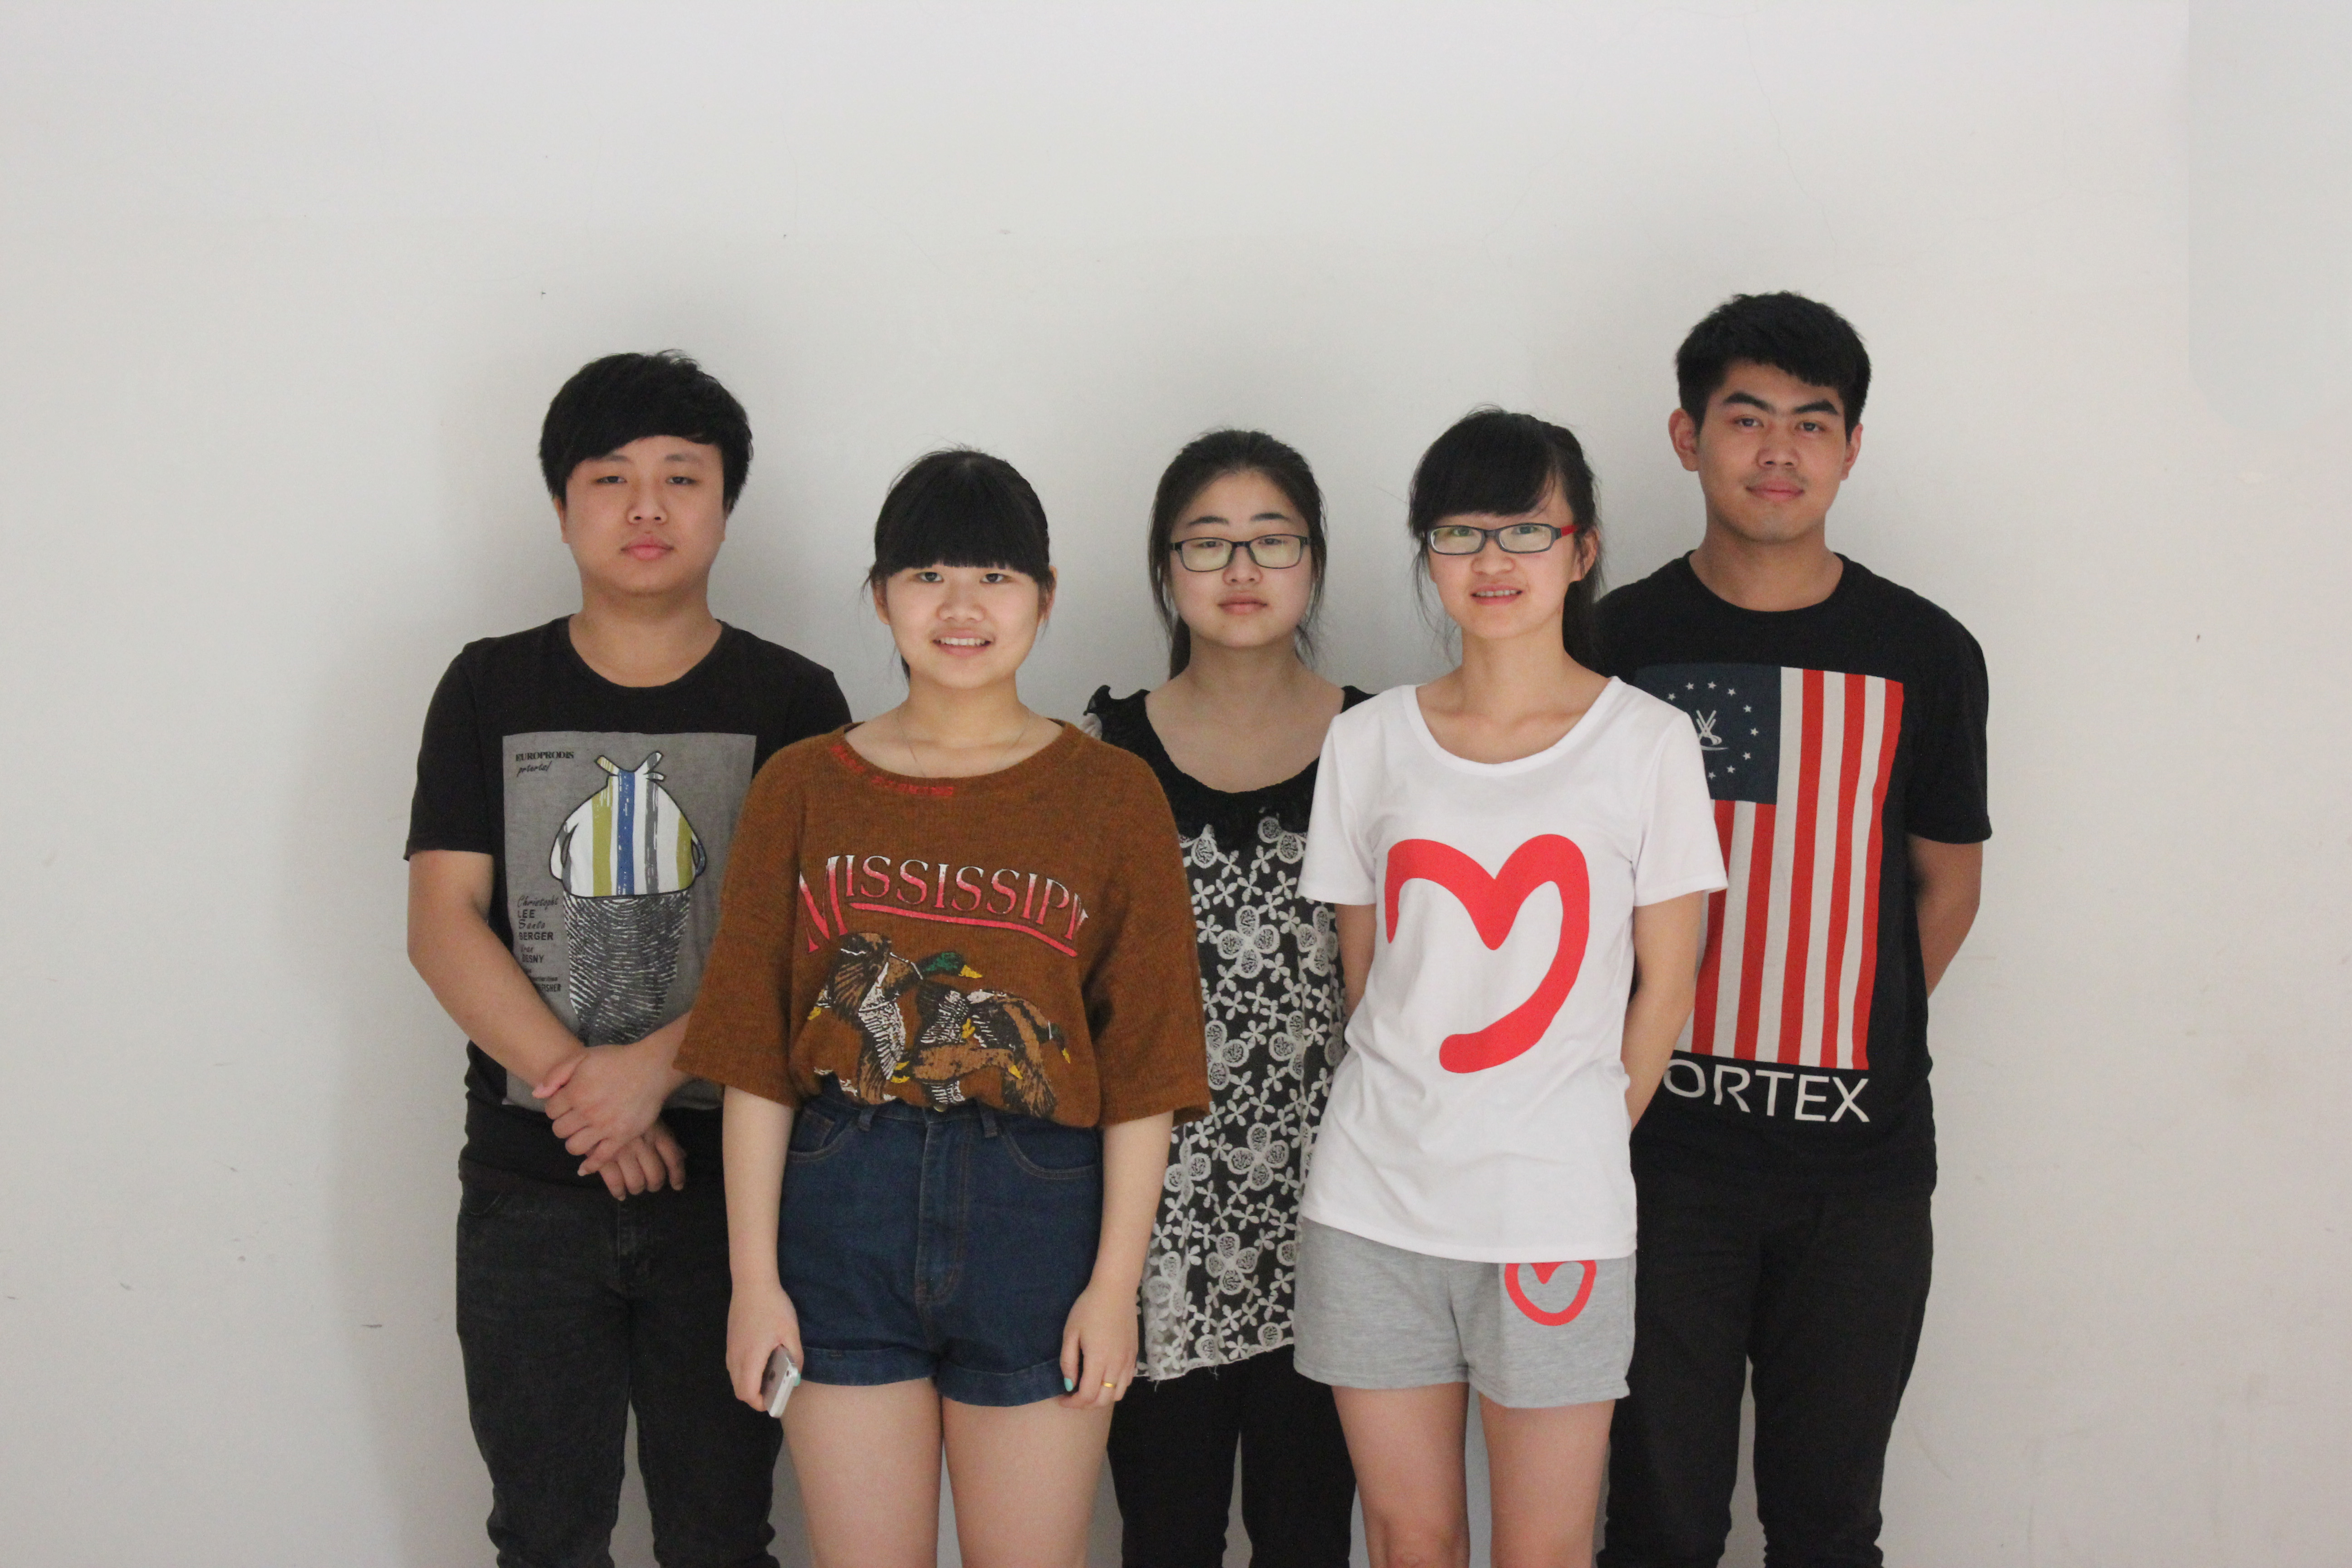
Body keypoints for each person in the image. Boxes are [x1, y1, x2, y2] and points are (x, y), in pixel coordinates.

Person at [675, 449, 1212, 1568]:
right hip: (840, 1203)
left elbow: (1146, 1066)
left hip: (1039, 1215)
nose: (961, 608)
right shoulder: (803, 787)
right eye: (927, 576)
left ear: (1045, 596)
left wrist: (1115, 1288)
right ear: (881, 596)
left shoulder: (1112, 794)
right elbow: (756, 1059)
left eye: (995, 577)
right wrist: (754, 1282)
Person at [405, 350, 849, 1568]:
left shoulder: (795, 702)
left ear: (726, 505)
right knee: (545, 1536)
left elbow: (817, 950)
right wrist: (588, 1099)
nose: (646, 508)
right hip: (529, 1192)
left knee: (722, 1535)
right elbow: (442, 922)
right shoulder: (489, 685)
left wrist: (655, 1068)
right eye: (611, 478)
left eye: (681, 478)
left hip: (734, 1199)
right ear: (563, 506)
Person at [1593, 293, 1989, 1568]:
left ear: (1851, 448)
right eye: (1747, 417)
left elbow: (1947, 885)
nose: (1779, 450)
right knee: (1658, 1526)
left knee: (1829, 1526)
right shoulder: (1611, 643)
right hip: (1657, 1162)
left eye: (1812, 423)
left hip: (1859, 1173)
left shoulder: (1926, 651)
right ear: (1686, 435)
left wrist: (1847, 1030)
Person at [1294, 409, 1727, 1568]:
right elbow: (1366, 981)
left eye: (1527, 530)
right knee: (1408, 1536)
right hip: (1372, 1204)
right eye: (1460, 532)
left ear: (1583, 550)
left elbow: (1668, 985)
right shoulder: (1369, 741)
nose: (1493, 559)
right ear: (1427, 553)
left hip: (1557, 1215)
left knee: (1544, 1546)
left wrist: (1573, 1133)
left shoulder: (1648, 743)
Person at [1084, 430, 1367, 1567]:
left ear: (1314, 562)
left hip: (1343, 1209)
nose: (1241, 569)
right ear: (1166, 570)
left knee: (1309, 1533)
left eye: (1271, 541)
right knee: (1166, 1534)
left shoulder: (1384, 741)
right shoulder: (1102, 756)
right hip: (1155, 1221)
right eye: (1208, 544)